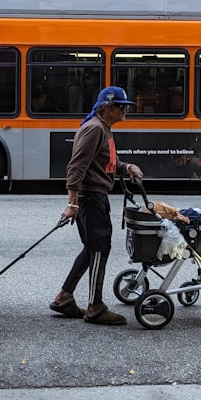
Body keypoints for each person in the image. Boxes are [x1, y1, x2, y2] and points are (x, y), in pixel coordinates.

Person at [50, 86, 144, 325]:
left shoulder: (102, 127)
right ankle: (95, 307)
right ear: (107, 108)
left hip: (95, 196)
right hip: (91, 197)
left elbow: (105, 161)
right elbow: (76, 167)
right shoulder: (94, 129)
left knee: (92, 247)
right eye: (121, 106)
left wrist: (126, 167)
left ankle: (64, 298)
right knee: (99, 248)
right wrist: (72, 203)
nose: (125, 111)